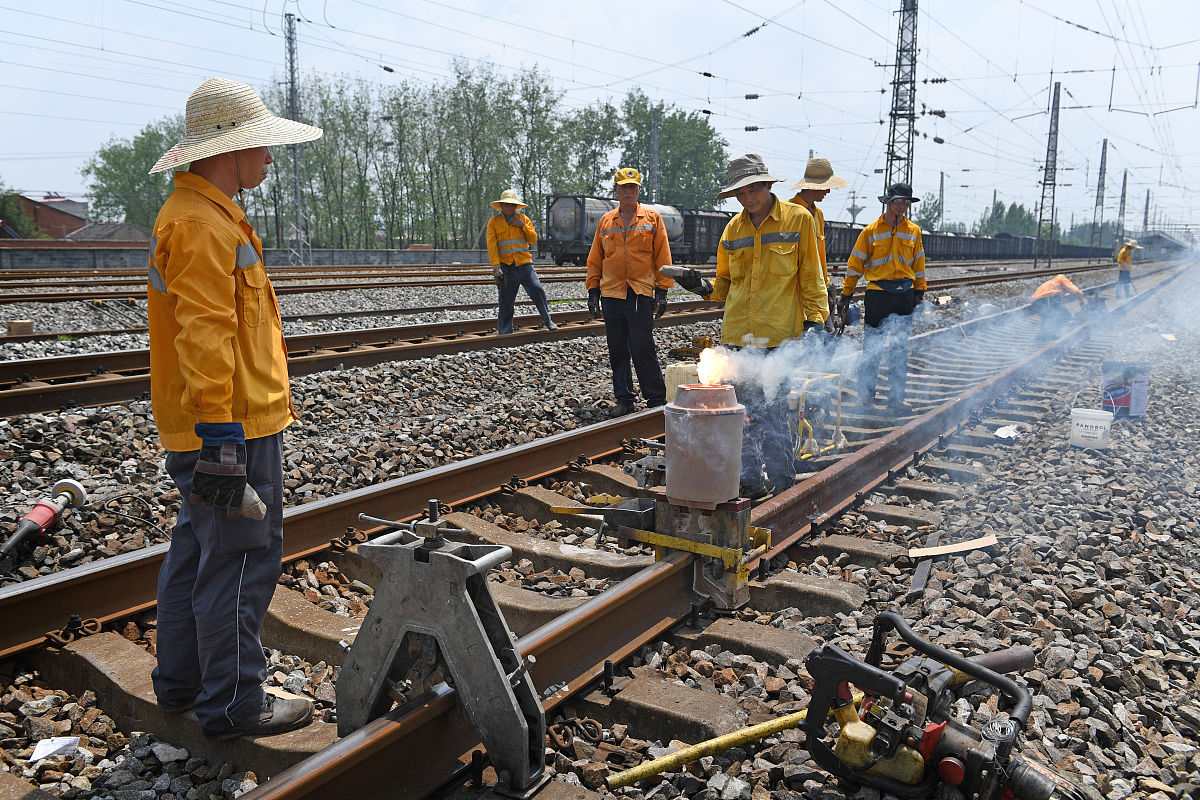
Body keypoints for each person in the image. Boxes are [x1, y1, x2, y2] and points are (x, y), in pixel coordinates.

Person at [146, 77, 320, 739]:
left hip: (224, 424)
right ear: (228, 150)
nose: (270, 159)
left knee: (199, 551)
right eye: (262, 147)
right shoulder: (198, 224)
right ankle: (233, 704)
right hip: (231, 431)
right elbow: (207, 336)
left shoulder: (206, 214)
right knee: (243, 558)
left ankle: (183, 685)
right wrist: (222, 438)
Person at [676, 154, 827, 497]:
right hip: (736, 338)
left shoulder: (799, 219)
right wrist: (699, 286)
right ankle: (749, 484)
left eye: (753, 189)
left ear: (768, 185)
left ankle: (783, 485)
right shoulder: (733, 229)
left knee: (772, 417)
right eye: (740, 193)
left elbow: (811, 277)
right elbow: (724, 286)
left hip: (777, 339)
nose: (747, 198)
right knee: (738, 416)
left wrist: (815, 321)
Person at [585, 167, 673, 416]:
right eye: (623, 187)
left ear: (638, 190)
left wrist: (663, 290)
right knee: (618, 349)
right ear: (616, 190)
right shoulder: (605, 221)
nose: (628, 191)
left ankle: (656, 399)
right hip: (611, 293)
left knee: (642, 347)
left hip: (639, 292)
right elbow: (595, 259)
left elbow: (662, 256)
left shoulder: (652, 218)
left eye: (632, 187)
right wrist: (593, 290)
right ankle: (624, 399)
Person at [836, 182, 927, 413]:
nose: (901, 207)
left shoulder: (914, 231)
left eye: (905, 203)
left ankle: (896, 400)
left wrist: (920, 290)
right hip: (877, 295)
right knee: (872, 349)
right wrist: (846, 293)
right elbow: (855, 264)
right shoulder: (871, 231)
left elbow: (919, 264)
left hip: (904, 295)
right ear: (888, 202)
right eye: (897, 201)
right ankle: (866, 398)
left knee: (899, 350)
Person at [486, 189, 557, 333]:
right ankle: (505, 333)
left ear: (516, 207)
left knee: (538, 290)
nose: (509, 207)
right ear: (501, 206)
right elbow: (492, 246)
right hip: (507, 267)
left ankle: (548, 320)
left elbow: (533, 239)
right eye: (506, 205)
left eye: (512, 205)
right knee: (506, 302)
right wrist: (495, 267)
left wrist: (522, 226)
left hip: (525, 266)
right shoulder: (494, 223)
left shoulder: (524, 220)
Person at [789, 157, 848, 306]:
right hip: (794, 290)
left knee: (824, 329)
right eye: (826, 186)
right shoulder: (788, 212)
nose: (828, 191)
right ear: (814, 186)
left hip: (816, 289)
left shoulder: (818, 214)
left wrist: (825, 287)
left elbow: (820, 254)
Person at [1031, 273, 1085, 340]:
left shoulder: (1053, 284)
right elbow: (1077, 292)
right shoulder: (1062, 281)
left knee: (1048, 317)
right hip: (1045, 299)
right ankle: (1047, 335)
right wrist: (1082, 303)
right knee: (1060, 315)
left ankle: (1042, 336)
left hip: (1035, 302)